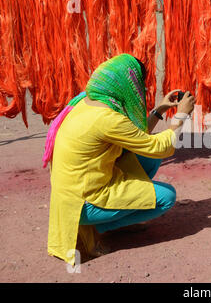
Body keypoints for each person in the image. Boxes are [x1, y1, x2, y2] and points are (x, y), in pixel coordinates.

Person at [44, 54, 195, 265]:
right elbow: (160, 146)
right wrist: (181, 116)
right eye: (138, 85)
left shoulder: (87, 102)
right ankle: (100, 226)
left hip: (76, 188)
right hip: (83, 202)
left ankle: (115, 215)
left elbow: (136, 137)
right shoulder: (107, 119)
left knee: (149, 159)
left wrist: (160, 109)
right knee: (167, 197)